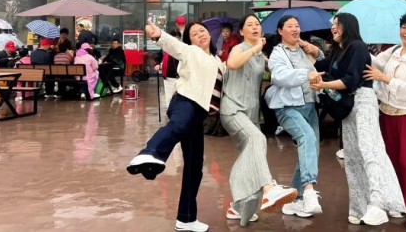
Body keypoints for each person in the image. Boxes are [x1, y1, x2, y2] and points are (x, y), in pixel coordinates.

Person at [308, 13, 406, 226]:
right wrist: (305, 48)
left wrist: (323, 85)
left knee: (370, 149)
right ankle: (359, 207)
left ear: (347, 26)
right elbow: (322, 66)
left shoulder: (358, 47)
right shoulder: (337, 49)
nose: (333, 27)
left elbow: (351, 80)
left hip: (363, 100)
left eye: (337, 24)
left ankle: (379, 204)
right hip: (347, 106)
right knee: (352, 156)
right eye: (333, 24)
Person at [127, 19, 225, 232]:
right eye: (194, 34)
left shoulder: (218, 61)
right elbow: (175, 46)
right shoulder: (191, 52)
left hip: (199, 113)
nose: (200, 34)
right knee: (178, 125)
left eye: (202, 31)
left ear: (210, 34)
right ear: (190, 40)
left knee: (194, 167)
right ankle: (150, 152)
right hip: (185, 101)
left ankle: (186, 218)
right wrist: (159, 36)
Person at [220, 13, 298, 226]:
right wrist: (255, 48)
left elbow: (279, 71)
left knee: (254, 156)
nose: (255, 27)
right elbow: (232, 64)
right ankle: (268, 188)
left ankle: (239, 209)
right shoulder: (239, 48)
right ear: (242, 31)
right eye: (249, 24)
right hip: (233, 109)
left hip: (251, 114)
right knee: (258, 140)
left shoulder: (260, 56)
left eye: (257, 24)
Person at [364, 13, 406, 232]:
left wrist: (385, 78)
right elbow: (373, 62)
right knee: (391, 161)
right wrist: (355, 43)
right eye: (404, 27)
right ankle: (398, 202)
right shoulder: (393, 51)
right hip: (388, 112)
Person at [265, 15, 324, 218]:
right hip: (288, 107)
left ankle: (295, 200)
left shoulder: (303, 50)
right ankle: (309, 191)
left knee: (311, 148)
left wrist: (316, 51)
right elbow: (279, 76)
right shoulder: (277, 53)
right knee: (306, 137)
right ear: (280, 31)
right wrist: (305, 75)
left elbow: (324, 65)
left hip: (309, 106)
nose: (294, 29)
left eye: (297, 26)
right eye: (289, 26)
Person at [154, 28, 181, 95]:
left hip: (181, 78)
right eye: (173, 37)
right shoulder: (165, 47)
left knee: (180, 97)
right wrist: (157, 64)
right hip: (168, 77)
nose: (175, 39)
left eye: (177, 37)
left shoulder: (183, 48)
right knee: (169, 97)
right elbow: (158, 56)